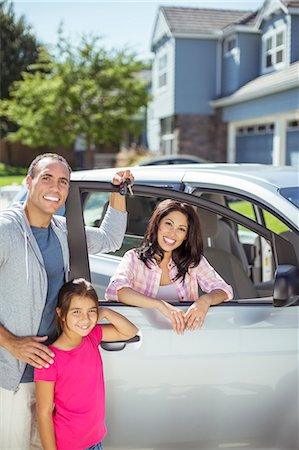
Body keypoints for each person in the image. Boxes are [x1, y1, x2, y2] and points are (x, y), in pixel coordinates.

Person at [0, 152, 134, 450]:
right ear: (28, 181)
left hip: (52, 375)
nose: (55, 187)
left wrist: (118, 190)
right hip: (12, 376)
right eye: (46, 177)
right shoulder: (6, 230)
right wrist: (9, 341)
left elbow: (110, 239)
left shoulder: (61, 231)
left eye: (63, 181)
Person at [34, 278, 138, 450]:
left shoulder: (92, 337)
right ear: (61, 313)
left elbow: (130, 331)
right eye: (76, 312)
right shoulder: (49, 360)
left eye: (91, 311)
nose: (85, 319)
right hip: (70, 445)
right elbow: (43, 413)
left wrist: (105, 313)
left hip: (95, 440)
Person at [106, 199, 233, 334]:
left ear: (185, 236)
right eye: (168, 224)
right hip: (144, 336)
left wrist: (204, 301)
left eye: (181, 229)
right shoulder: (134, 259)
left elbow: (224, 290)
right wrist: (160, 305)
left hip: (183, 338)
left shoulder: (192, 262)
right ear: (158, 224)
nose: (173, 233)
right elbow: (116, 290)